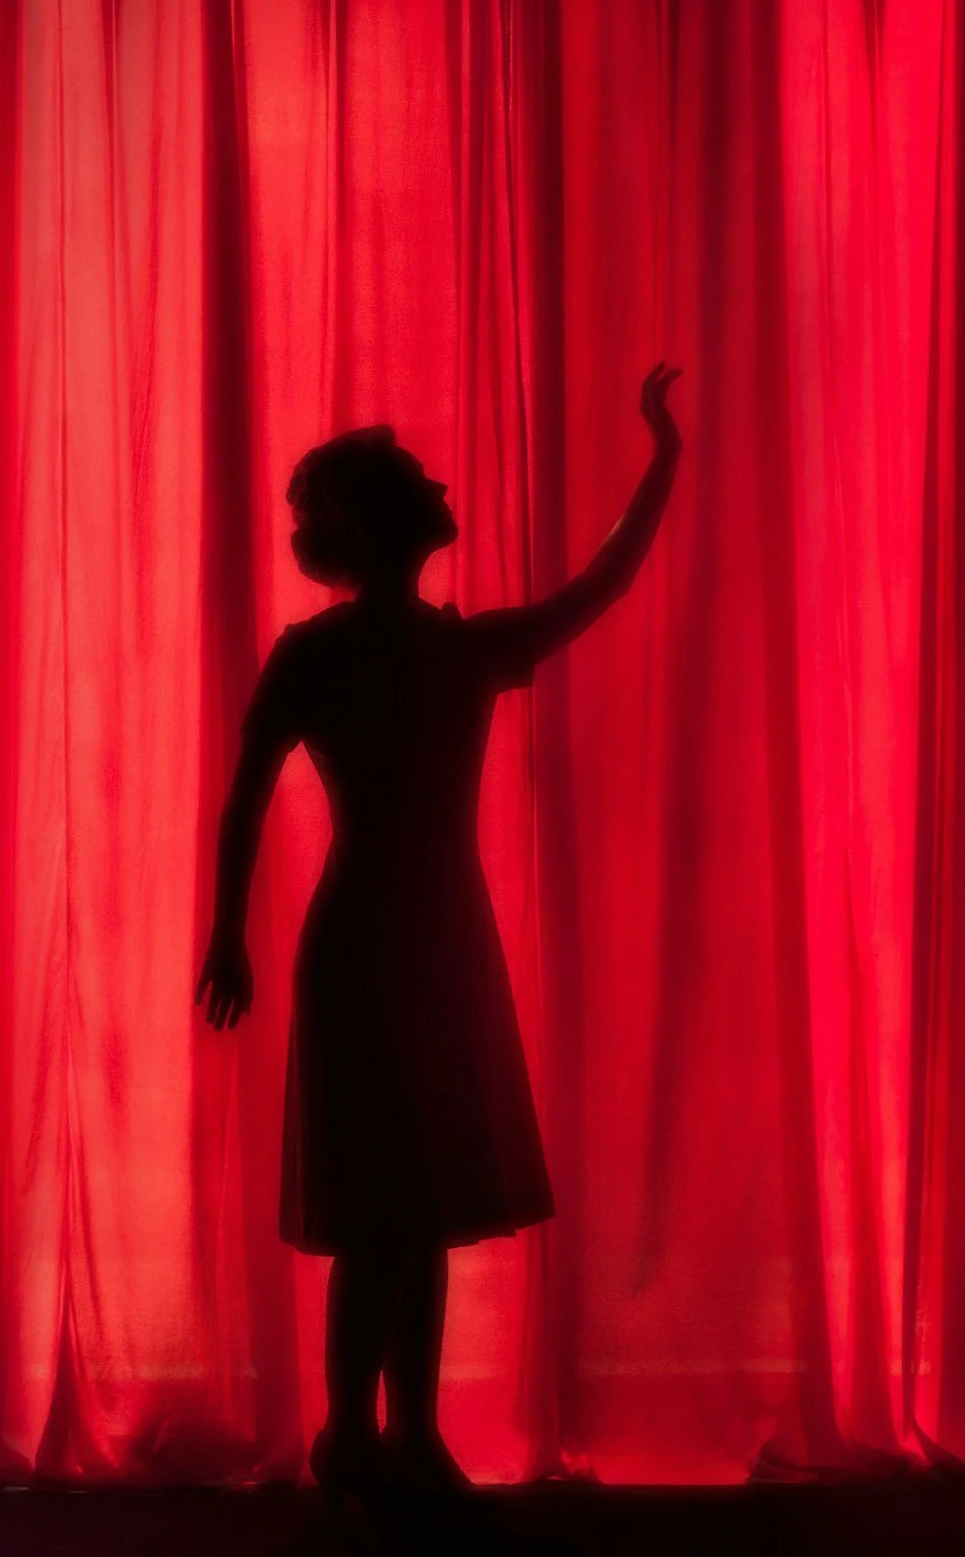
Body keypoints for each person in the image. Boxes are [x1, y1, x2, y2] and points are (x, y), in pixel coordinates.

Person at [198, 365, 686, 1506]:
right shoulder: (326, 654)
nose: (438, 481)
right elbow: (244, 797)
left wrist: (662, 457)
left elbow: (603, 585)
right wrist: (225, 933)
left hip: (436, 939)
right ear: (371, 520)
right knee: (386, 1204)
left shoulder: (450, 645)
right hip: (372, 942)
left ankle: (403, 1433)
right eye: (414, 477)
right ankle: (351, 1437)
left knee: (418, 1209)